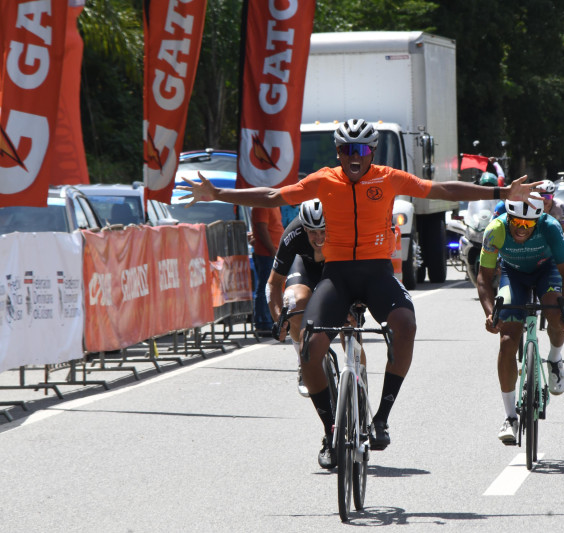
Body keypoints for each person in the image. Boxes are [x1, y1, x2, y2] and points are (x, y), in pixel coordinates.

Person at [178, 118, 543, 467]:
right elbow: (274, 195)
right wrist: (218, 193)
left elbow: (443, 189)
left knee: (405, 324)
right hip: (337, 277)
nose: (355, 156)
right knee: (310, 347)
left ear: (372, 152)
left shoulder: (388, 178)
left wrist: (501, 191)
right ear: (338, 152)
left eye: (363, 149)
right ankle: (330, 432)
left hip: (377, 274)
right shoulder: (324, 181)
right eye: (347, 149)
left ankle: (381, 418)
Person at [477, 196, 564, 444]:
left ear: (538, 220)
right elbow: (483, 277)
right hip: (513, 273)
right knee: (507, 339)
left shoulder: (550, 227)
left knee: (555, 313)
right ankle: (510, 416)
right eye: (517, 222)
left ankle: (554, 357)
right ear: (508, 218)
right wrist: (490, 313)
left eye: (528, 224)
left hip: (547, 269)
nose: (521, 229)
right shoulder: (495, 230)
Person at [267, 199, 327, 398]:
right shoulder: (292, 235)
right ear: (303, 228)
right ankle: (304, 361)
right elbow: (273, 284)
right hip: (305, 268)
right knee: (293, 303)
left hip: (335, 268)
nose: (318, 238)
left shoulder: (343, 227)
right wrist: (278, 320)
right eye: (312, 232)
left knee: (349, 318)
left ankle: (356, 372)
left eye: (323, 231)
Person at [249, 207, 283, 333]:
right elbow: (262, 229)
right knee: (265, 287)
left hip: (272, 252)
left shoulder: (273, 205)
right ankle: (263, 323)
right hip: (267, 254)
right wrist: (273, 251)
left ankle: (268, 321)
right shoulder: (262, 205)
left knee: (270, 287)